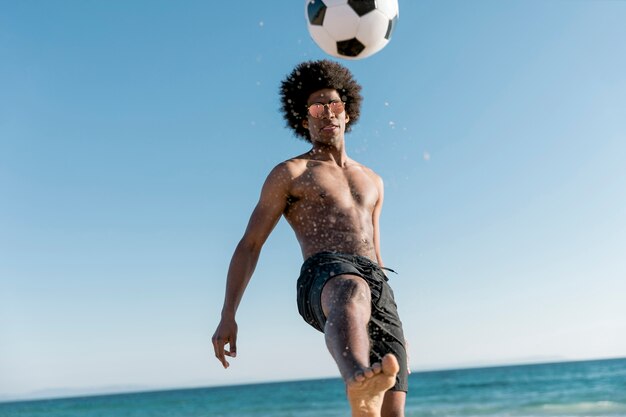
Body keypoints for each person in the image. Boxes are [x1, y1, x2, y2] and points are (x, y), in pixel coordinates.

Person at [212, 59, 409, 417]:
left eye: (335, 105)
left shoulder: (373, 180)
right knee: (352, 290)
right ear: (304, 119)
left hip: (375, 284)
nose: (327, 113)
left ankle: (366, 391)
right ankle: (357, 381)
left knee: (393, 409)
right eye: (318, 107)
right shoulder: (291, 172)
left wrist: (391, 314)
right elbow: (250, 244)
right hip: (324, 275)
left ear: (346, 113)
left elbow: (375, 253)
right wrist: (228, 313)